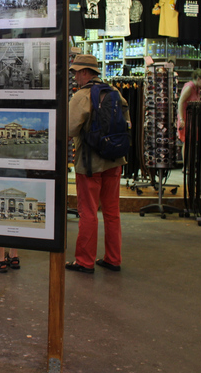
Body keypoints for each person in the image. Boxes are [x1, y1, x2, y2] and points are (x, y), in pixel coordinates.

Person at [67, 54, 130, 274]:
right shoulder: (115, 93)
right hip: (114, 160)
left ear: (85, 72)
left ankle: (84, 261)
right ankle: (113, 258)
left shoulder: (81, 97)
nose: (75, 76)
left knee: (88, 211)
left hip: (90, 163)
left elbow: (69, 129)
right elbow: (126, 124)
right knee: (112, 212)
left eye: (76, 72)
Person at [177, 68, 201, 145]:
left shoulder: (197, 88)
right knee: (187, 142)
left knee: (191, 141)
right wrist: (182, 119)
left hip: (191, 118)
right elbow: (180, 102)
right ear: (198, 79)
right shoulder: (189, 88)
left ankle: (189, 157)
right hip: (185, 118)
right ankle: (186, 157)